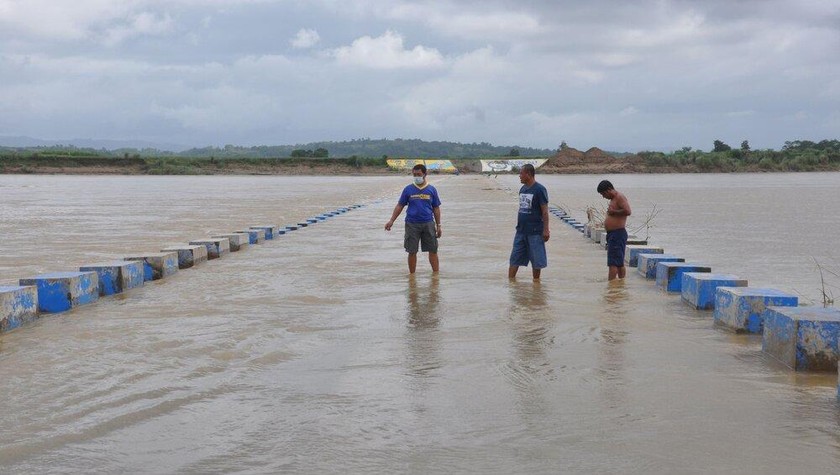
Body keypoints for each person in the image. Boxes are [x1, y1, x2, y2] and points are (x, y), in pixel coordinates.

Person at [385, 164, 442, 273]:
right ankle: (412, 277)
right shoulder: (408, 189)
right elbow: (400, 206)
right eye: (414, 174)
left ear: (425, 174)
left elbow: (436, 208)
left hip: (428, 224)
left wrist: (439, 225)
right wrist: (391, 220)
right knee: (412, 251)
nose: (416, 176)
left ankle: (436, 276)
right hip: (411, 224)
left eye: (419, 174)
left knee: (433, 250)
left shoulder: (431, 189)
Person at [508, 164, 549, 280]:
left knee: (536, 262)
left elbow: (545, 212)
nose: (519, 176)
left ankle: (536, 285)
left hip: (535, 231)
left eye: (521, 173)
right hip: (520, 231)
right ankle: (511, 284)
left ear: (528, 174)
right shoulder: (522, 189)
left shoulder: (540, 190)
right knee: (514, 259)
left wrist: (546, 230)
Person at [597, 179, 632, 280]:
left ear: (609, 190)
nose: (603, 197)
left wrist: (614, 212)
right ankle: (620, 284)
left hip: (617, 234)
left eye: (603, 194)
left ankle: (611, 288)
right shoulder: (614, 199)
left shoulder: (619, 197)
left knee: (613, 263)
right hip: (614, 234)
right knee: (619, 262)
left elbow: (628, 211)